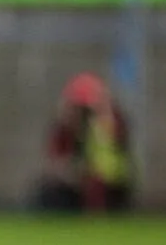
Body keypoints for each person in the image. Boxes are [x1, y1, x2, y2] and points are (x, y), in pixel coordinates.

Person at [37, 72, 133, 213]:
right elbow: (56, 159)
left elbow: (114, 149)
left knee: (96, 186)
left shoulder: (109, 122)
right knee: (48, 194)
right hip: (73, 183)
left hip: (109, 184)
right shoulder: (65, 129)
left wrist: (102, 115)